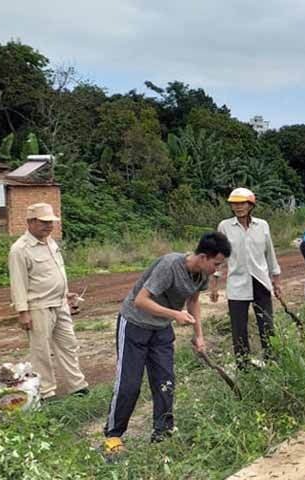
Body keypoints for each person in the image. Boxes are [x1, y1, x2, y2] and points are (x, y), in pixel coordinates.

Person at [103, 232, 231, 456]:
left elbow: (193, 301)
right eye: (216, 264)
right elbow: (140, 300)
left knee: (165, 381)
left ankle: (162, 433)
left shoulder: (202, 274)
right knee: (129, 383)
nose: (217, 269)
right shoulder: (170, 265)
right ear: (203, 257)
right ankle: (113, 436)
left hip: (161, 328)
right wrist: (174, 314)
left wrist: (199, 335)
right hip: (135, 323)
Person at [8, 203, 88, 401]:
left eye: (51, 222)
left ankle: (77, 386)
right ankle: (46, 392)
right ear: (30, 222)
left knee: (69, 345)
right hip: (38, 307)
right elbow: (18, 283)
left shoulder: (50, 242)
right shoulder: (20, 249)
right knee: (41, 351)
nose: (49, 225)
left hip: (60, 303)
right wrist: (23, 312)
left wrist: (66, 294)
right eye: (44, 222)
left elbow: (54, 272)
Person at [211, 188, 283, 370]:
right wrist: (215, 284)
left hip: (260, 281)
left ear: (250, 205)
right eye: (234, 204)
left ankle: (272, 361)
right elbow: (219, 256)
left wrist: (277, 280)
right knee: (238, 328)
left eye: (242, 203)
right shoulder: (225, 226)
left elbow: (270, 254)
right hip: (237, 283)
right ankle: (243, 365)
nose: (238, 207)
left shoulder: (262, 225)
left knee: (267, 325)